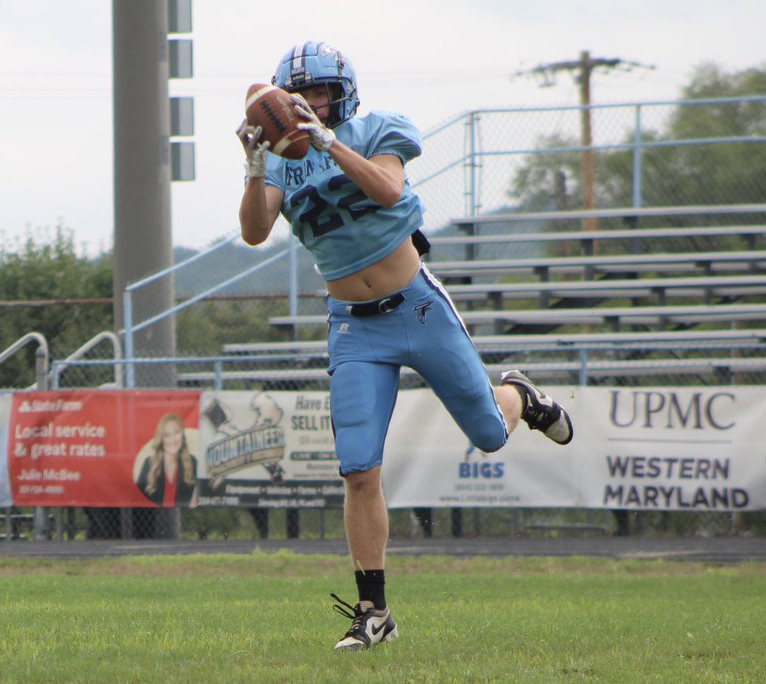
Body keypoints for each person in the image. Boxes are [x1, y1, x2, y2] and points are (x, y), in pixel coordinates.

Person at [235, 42, 574, 652]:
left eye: (319, 92)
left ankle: (519, 396)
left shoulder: (377, 130)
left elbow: (389, 190)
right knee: (358, 470)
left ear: (341, 91)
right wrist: (256, 166)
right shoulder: (284, 163)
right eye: (299, 95)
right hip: (354, 326)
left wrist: (330, 144)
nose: (310, 104)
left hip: (418, 307)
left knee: (489, 434)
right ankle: (374, 612)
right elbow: (255, 232)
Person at [134, 413, 199, 508]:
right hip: (153, 515)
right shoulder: (148, 463)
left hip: (181, 516)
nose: (173, 440)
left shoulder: (192, 462)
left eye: (177, 432)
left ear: (183, 435)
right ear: (161, 438)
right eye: (167, 435)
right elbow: (137, 499)